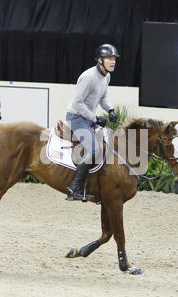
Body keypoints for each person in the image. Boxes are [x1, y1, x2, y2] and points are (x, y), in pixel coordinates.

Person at [65, 44, 119, 201]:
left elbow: (103, 97)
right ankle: (74, 189)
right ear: (100, 60)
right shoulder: (88, 77)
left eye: (114, 59)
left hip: (87, 117)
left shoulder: (106, 76)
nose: (113, 62)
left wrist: (110, 110)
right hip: (76, 118)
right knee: (95, 150)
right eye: (109, 59)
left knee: (108, 143)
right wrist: (95, 118)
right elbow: (77, 103)